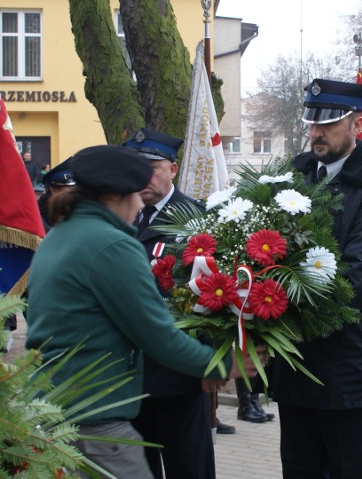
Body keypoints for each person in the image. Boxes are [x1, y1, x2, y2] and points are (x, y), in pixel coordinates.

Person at [25, 145, 254, 479]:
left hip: (59, 407)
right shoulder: (111, 245)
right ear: (117, 197)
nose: (139, 206)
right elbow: (155, 332)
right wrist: (220, 364)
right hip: (98, 418)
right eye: (135, 196)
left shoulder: (59, 236)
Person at [271, 78, 362, 478]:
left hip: (348, 363)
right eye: (312, 123)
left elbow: (361, 274)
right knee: (299, 467)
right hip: (295, 360)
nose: (316, 132)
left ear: (356, 126)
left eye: (327, 123)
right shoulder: (289, 181)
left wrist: (283, 296)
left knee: (350, 468)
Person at [124, 127, 220, 479]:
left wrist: (212, 360)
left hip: (179, 372)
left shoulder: (195, 218)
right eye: (135, 167)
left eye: (152, 166)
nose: (142, 177)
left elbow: (214, 292)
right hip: (131, 373)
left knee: (188, 467)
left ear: (173, 169)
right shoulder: (122, 215)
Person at [37, 158, 77, 232]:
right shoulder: (41, 217)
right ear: (54, 190)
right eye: (70, 188)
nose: (74, 192)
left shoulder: (74, 209)